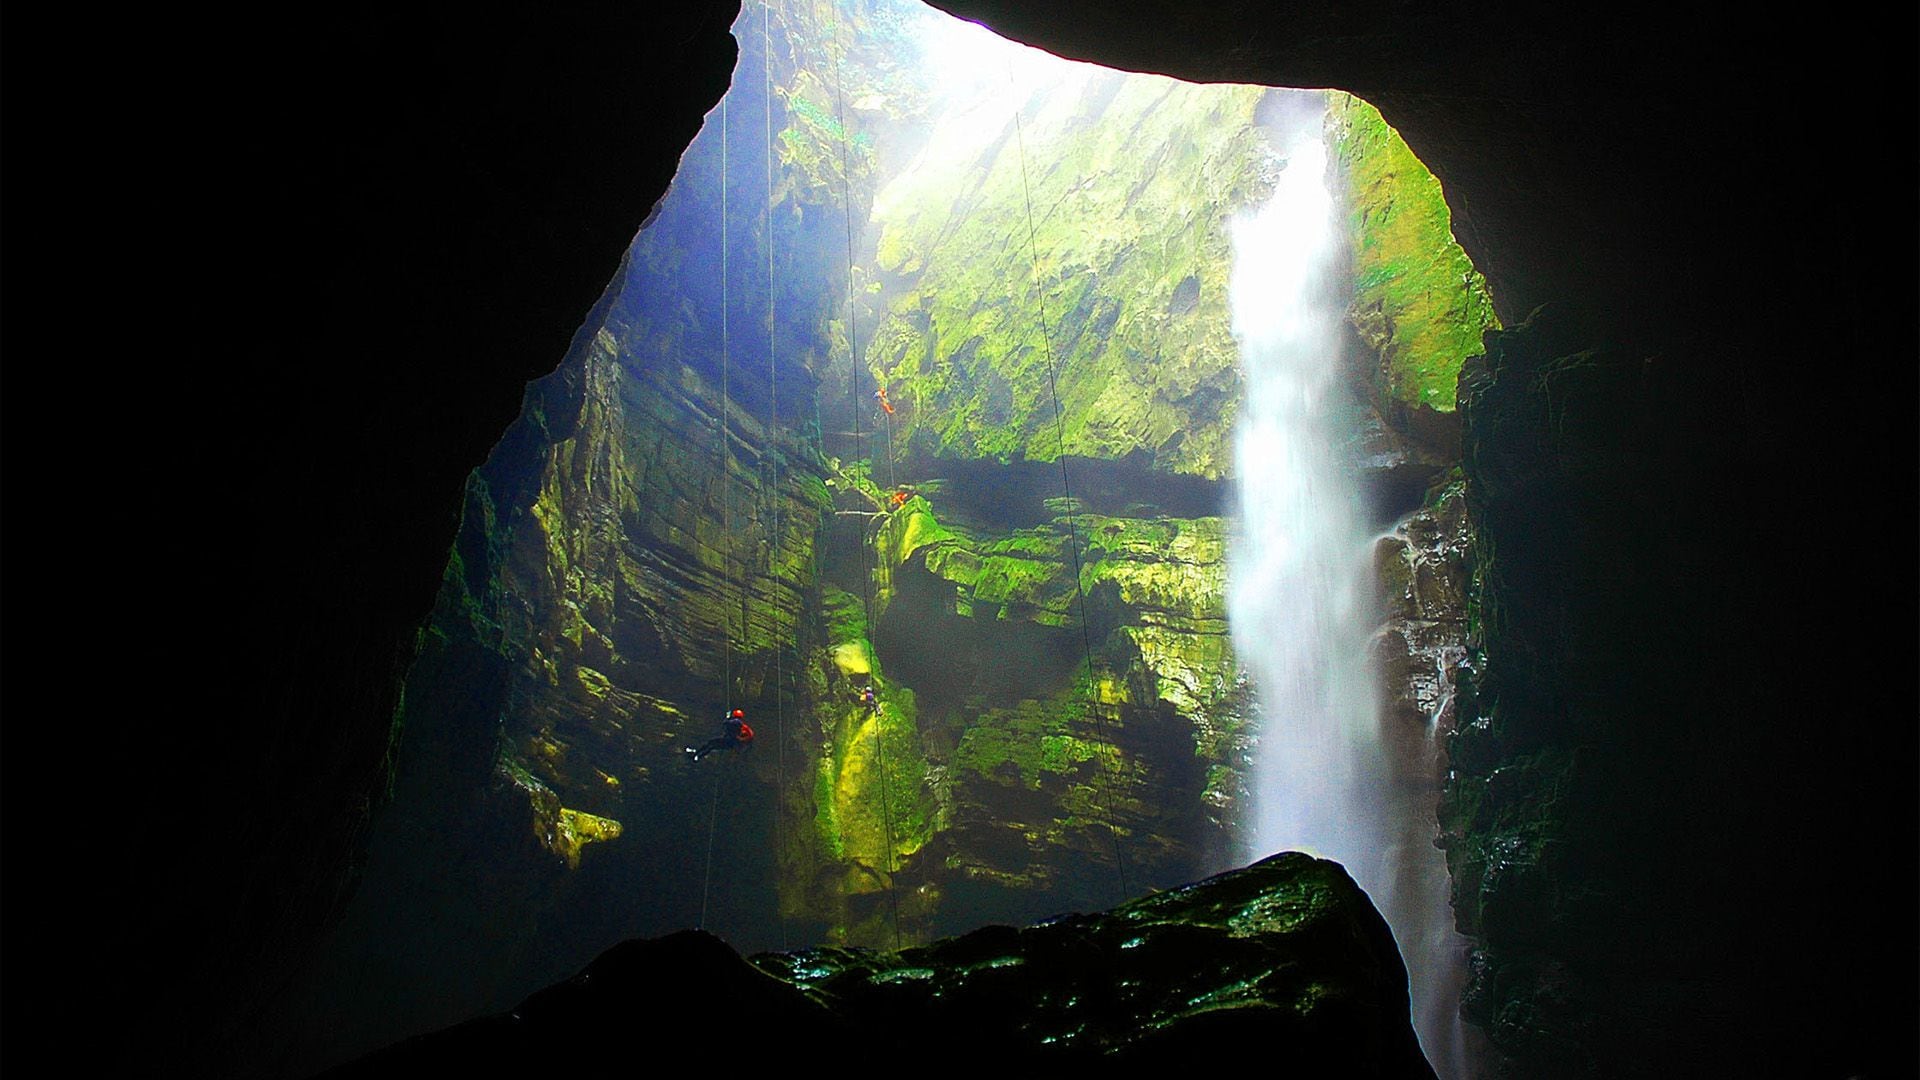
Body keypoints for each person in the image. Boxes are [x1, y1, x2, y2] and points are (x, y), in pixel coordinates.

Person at [687, 708, 755, 761]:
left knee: (710, 743)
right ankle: (697, 755)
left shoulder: (736, 721)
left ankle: (697, 754)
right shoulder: (740, 723)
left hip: (728, 740)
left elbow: (725, 723)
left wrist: (728, 717)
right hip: (730, 743)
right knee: (711, 746)